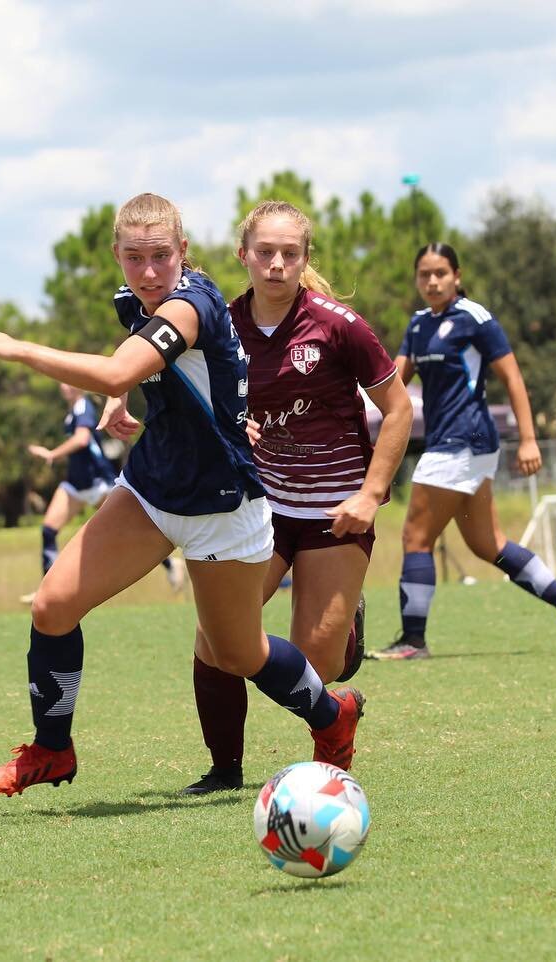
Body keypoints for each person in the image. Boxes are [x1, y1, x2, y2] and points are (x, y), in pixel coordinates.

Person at [0, 192, 364, 797]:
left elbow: (125, 365)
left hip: (222, 503)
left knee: (238, 654)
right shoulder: (135, 300)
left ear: (185, 253)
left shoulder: (193, 302)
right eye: (133, 257)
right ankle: (51, 749)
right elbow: (144, 365)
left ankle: (333, 716)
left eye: (161, 257)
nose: (147, 272)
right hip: (152, 487)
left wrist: (18, 348)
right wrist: (122, 396)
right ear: (117, 256)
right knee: (52, 605)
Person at [182, 200, 413, 794]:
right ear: (244, 256)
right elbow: (183, 387)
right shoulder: (221, 324)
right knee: (216, 640)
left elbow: (398, 410)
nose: (277, 264)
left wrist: (371, 494)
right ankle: (224, 769)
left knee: (317, 663)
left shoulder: (339, 326)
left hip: (336, 512)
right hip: (261, 507)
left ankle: (346, 636)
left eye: (290, 253)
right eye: (265, 252)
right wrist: (228, 424)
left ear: (305, 259)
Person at [372, 243, 556, 660]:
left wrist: (528, 438)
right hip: (452, 443)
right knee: (487, 544)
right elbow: (394, 382)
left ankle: (413, 640)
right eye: (424, 274)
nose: (432, 281)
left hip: (465, 440)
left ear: (457, 275)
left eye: (440, 273)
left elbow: (512, 379)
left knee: (416, 537)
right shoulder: (419, 325)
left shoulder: (476, 319)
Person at [23, 382, 185, 602]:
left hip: (98, 482)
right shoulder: (72, 412)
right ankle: (47, 591)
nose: (65, 386)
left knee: (129, 531)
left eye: (70, 382)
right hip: (76, 485)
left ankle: (170, 563)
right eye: (62, 382)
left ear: (79, 387)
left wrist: (52, 454)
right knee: (48, 531)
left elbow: (81, 439)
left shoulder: (83, 407)